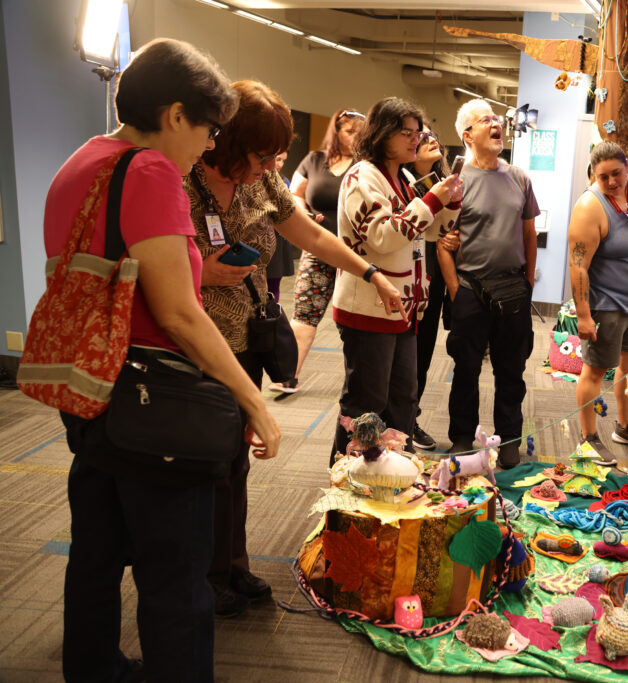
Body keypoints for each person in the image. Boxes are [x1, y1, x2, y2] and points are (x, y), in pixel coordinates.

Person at [47, 38, 281, 681]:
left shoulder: (80, 161)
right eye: (207, 128)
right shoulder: (149, 170)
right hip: (153, 396)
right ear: (176, 114)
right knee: (176, 574)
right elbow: (179, 311)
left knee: (95, 551)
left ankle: (93, 669)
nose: (208, 145)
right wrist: (253, 399)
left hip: (90, 383)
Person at [186, 81, 403, 619]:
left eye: (273, 158)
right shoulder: (181, 180)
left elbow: (309, 235)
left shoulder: (264, 181)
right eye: (261, 156)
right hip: (196, 344)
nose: (267, 167)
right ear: (226, 142)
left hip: (245, 342)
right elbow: (152, 263)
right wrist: (204, 270)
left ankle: (231, 564)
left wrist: (370, 271)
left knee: (234, 459)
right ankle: (203, 574)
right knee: (206, 462)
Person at [331, 97, 462, 459]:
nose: (414, 140)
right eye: (405, 133)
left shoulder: (401, 176)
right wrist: (432, 201)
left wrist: (448, 203)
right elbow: (383, 236)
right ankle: (346, 480)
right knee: (366, 403)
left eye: (417, 133)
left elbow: (427, 233)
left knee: (402, 400)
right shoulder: (362, 176)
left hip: (402, 308)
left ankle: (388, 474)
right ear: (382, 133)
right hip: (370, 306)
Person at [437, 99, 539, 468]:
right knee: (465, 370)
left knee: (511, 370)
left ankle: (509, 440)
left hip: (513, 288)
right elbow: (442, 241)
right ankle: (463, 437)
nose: (496, 124)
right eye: (486, 121)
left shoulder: (519, 178)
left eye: (497, 119)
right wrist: (455, 290)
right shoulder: (455, 184)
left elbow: (529, 234)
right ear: (468, 135)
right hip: (470, 289)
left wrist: (528, 285)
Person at [567, 141, 628, 465]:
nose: (612, 182)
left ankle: (625, 426)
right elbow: (578, 264)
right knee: (595, 372)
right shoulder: (590, 206)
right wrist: (584, 316)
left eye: (617, 173)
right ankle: (588, 437)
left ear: (627, 166)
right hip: (607, 304)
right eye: (603, 176)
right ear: (594, 175)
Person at [269, 108, 366, 394]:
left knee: (355, 323)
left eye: (360, 132)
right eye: (349, 131)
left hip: (354, 254)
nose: (354, 137)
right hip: (318, 248)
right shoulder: (314, 160)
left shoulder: (366, 166)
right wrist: (305, 214)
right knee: (305, 314)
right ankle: (289, 376)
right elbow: (295, 195)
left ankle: (361, 383)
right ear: (336, 132)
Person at [400, 127, 461, 451]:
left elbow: (441, 229)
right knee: (399, 356)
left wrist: (450, 236)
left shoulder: (443, 179)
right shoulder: (398, 181)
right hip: (400, 277)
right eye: (422, 139)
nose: (430, 140)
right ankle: (394, 423)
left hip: (431, 275)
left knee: (423, 352)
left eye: (433, 136)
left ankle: (410, 419)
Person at [264, 151, 294, 302]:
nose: (280, 164)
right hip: (262, 237)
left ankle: (272, 315)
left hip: (279, 237)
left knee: (274, 283)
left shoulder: (285, 181)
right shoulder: (255, 180)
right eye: (278, 159)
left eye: (284, 161)